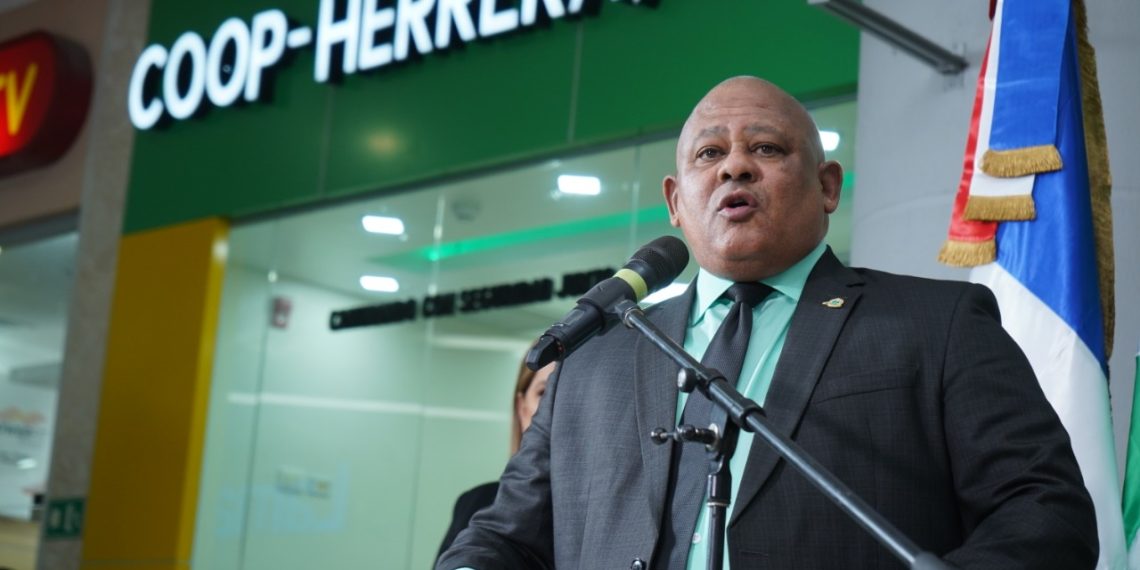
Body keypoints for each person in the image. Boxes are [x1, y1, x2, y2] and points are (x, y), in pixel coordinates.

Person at [436, 76, 1097, 569]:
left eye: (766, 147)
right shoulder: (597, 355)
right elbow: (503, 537)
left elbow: (1044, 512)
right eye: (708, 154)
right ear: (675, 201)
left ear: (827, 186)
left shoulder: (936, 324)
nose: (734, 165)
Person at [436, 355, 555, 559]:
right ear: (522, 408)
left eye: (568, 394)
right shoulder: (474, 504)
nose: (555, 407)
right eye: (543, 393)